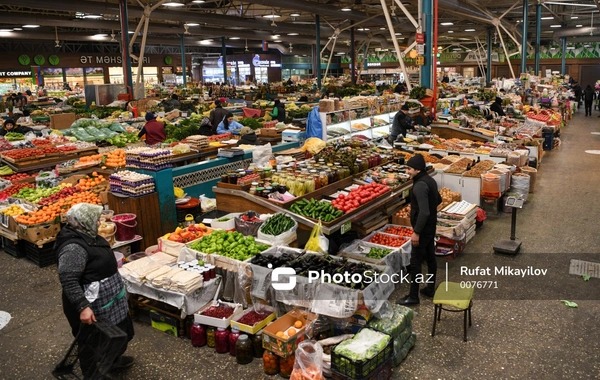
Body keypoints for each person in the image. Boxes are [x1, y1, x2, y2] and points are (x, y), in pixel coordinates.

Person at [55, 203, 135, 378]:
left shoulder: (87, 234)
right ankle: (92, 374)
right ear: (84, 221)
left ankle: (112, 361)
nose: (99, 221)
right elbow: (68, 280)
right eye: (96, 218)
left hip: (109, 301)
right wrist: (83, 307)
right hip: (92, 305)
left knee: (118, 333)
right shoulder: (73, 248)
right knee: (91, 342)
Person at [397, 154, 442, 306]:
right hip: (430, 226)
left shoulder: (419, 185)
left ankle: (413, 296)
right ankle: (430, 288)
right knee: (430, 257)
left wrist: (416, 231)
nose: (407, 172)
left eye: (409, 169)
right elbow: (439, 200)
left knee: (415, 262)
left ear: (417, 169)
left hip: (422, 230)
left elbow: (425, 212)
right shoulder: (430, 180)